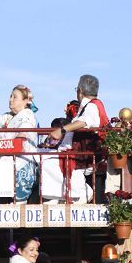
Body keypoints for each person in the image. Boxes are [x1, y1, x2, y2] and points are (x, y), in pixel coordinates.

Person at [48, 74, 110, 202]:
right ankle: (65, 196)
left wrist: (62, 130)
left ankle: (84, 193)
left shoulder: (92, 106)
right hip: (79, 151)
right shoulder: (90, 106)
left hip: (83, 153)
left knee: (46, 160)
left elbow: (85, 122)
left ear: (80, 91)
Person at [0, 81, 39, 201]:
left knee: (17, 207)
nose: (10, 99)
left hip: (20, 167)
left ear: (25, 101)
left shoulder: (28, 115)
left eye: (15, 97)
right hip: (4, 165)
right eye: (10, 96)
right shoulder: (8, 116)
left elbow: (20, 141)